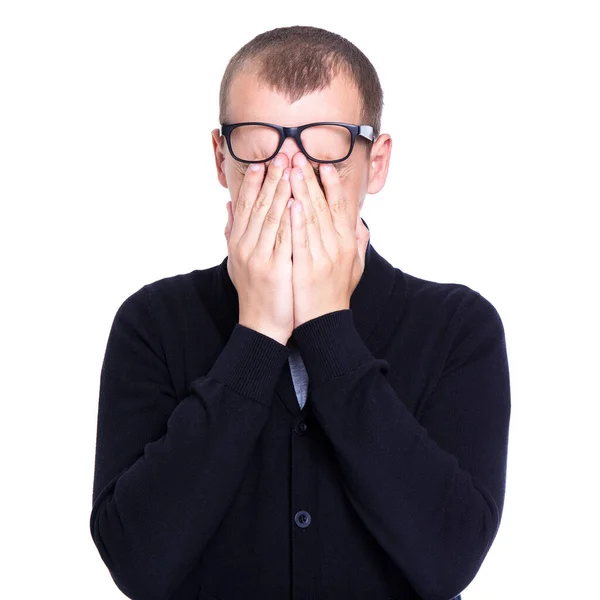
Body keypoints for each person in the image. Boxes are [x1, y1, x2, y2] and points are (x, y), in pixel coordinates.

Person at [90, 25, 511, 600]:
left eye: (324, 146)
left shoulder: (459, 328)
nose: (290, 178)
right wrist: (257, 331)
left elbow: (448, 558)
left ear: (377, 163)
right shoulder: (152, 323)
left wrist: (327, 327)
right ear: (222, 157)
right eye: (260, 144)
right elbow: (139, 563)